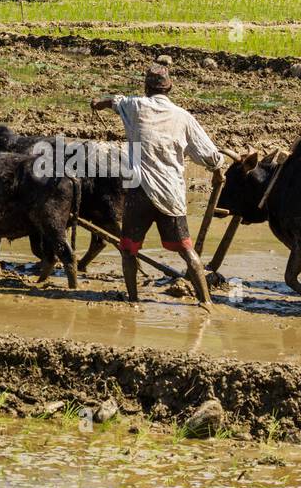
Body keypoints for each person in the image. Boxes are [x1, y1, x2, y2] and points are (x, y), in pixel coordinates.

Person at [91, 63, 222, 310]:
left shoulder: (134, 106)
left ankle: (132, 300)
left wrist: (98, 103)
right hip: (170, 193)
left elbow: (114, 101)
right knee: (186, 249)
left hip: (138, 190)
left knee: (128, 249)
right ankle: (206, 301)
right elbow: (210, 154)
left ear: (145, 87)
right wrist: (217, 171)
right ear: (170, 87)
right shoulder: (183, 117)